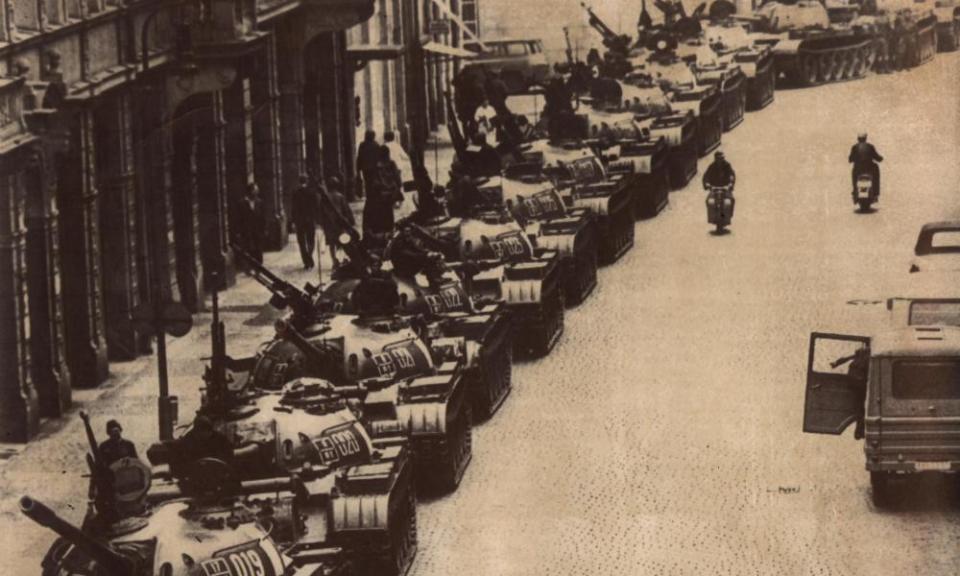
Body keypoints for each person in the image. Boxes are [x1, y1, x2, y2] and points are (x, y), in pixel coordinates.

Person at [363, 145, 404, 247]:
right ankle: (388, 240)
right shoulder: (391, 164)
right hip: (389, 197)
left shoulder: (376, 166)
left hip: (380, 196)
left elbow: (373, 183)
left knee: (380, 218)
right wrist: (397, 189)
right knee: (389, 218)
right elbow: (397, 179)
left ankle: (381, 240)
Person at [832, 346, 870, 440]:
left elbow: (845, 359)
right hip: (861, 387)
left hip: (855, 387)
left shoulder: (857, 358)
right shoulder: (866, 358)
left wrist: (836, 363)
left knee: (860, 410)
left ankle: (859, 432)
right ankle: (860, 432)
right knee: (862, 410)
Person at [320, 174, 355, 269]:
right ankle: (342, 259)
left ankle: (334, 261)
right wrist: (350, 221)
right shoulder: (340, 196)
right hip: (340, 224)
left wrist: (323, 224)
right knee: (343, 242)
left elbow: (322, 211)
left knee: (332, 244)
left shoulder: (325, 197)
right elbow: (346, 210)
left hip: (330, 225)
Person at [291, 175, 319, 269]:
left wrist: (293, 221)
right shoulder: (312, 192)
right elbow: (316, 207)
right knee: (311, 240)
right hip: (310, 220)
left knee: (301, 242)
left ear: (299, 181)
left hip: (300, 221)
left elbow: (293, 208)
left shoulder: (295, 192)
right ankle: (309, 257)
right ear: (307, 181)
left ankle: (306, 261)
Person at [236, 182, 264, 265]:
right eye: (255, 190)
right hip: (246, 230)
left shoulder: (260, 202)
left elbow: (263, 217)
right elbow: (238, 218)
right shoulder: (241, 203)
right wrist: (238, 231)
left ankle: (259, 265)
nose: (257, 192)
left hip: (258, 229)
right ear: (250, 191)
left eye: (257, 190)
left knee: (259, 248)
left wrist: (264, 229)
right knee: (248, 247)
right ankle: (251, 265)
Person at [356, 130, 381, 199]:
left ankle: (369, 197)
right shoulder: (376, 145)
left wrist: (358, 168)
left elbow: (359, 157)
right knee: (374, 183)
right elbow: (379, 157)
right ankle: (374, 198)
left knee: (368, 184)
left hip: (365, 168)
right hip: (374, 168)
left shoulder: (362, 145)